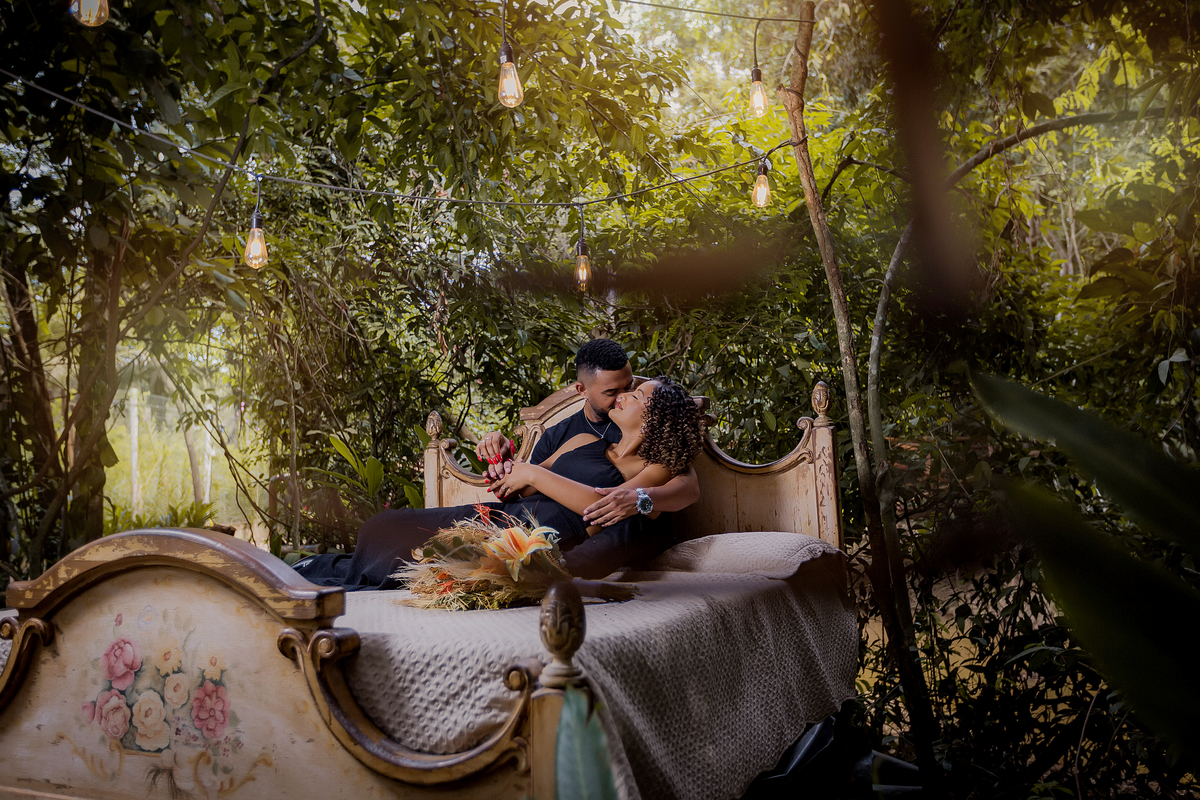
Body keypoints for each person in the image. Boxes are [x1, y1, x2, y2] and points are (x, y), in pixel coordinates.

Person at [292, 375, 704, 588]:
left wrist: (535, 474)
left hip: (526, 537)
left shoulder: (653, 473)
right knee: (382, 527)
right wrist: (507, 466)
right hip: (500, 512)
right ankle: (317, 570)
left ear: (654, 421)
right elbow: (520, 481)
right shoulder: (582, 439)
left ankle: (317, 572)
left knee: (417, 553)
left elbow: (606, 507)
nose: (623, 395)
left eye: (636, 395)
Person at [476, 338, 701, 528]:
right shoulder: (558, 436)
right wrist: (505, 465)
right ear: (582, 390)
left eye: (629, 387)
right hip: (540, 528)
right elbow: (524, 491)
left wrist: (640, 499)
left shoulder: (648, 427)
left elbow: (688, 486)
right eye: (611, 392)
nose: (621, 397)